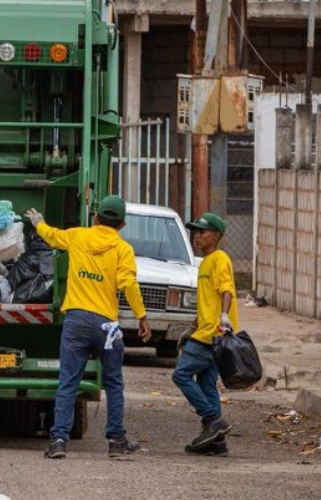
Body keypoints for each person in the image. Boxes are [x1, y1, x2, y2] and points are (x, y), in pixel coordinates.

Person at [25, 195, 151, 460]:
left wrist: (38, 222)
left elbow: (52, 237)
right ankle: (116, 441)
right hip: (106, 324)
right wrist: (141, 316)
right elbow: (129, 284)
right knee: (114, 382)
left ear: (96, 218)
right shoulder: (123, 249)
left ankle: (59, 440)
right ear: (122, 224)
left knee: (68, 381)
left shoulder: (79, 236)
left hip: (77, 320)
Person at [174, 212, 238, 456]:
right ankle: (215, 443)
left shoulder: (220, 259)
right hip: (204, 330)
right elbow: (206, 302)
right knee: (207, 385)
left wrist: (224, 317)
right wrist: (190, 329)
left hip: (213, 332)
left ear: (217, 236)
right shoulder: (205, 262)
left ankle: (213, 419)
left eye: (203, 232)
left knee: (181, 374)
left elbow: (226, 290)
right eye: (196, 232)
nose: (197, 236)